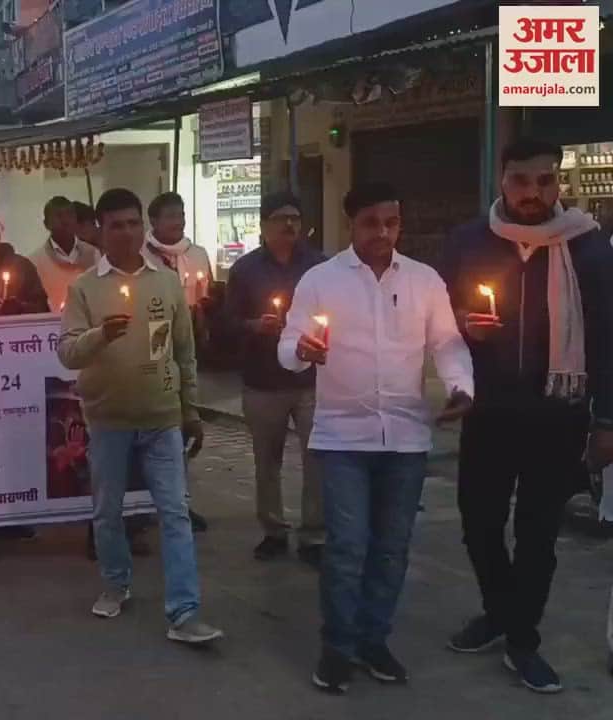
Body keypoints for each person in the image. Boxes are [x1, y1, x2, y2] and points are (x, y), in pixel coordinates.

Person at [278, 182, 474, 695]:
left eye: (391, 222)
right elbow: (287, 345)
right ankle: (337, 647)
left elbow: (447, 341)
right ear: (352, 225)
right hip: (343, 436)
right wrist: (302, 349)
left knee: (391, 547)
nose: (383, 232)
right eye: (372, 223)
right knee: (347, 546)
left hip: (406, 437)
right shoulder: (321, 280)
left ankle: (373, 640)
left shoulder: (425, 281)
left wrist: (460, 385)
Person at [441, 138, 613, 694]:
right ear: (501, 179)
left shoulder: (589, 248)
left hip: (557, 416)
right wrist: (464, 325)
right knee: (479, 523)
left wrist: (607, 420)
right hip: (488, 411)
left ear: (557, 182)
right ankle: (501, 613)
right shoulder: (469, 242)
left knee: (538, 534)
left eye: (544, 181)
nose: (533, 193)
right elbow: (436, 321)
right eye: (521, 181)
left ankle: (522, 639)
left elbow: (609, 340)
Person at [57, 188, 221, 646]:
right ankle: (115, 582)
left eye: (134, 224)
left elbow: (183, 351)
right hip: (108, 419)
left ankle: (185, 611)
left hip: (162, 417)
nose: (127, 233)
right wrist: (98, 337)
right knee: (107, 512)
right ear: (102, 231)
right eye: (117, 226)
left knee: (175, 514)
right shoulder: (85, 288)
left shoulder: (166, 282)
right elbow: (68, 353)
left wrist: (191, 409)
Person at [224, 192, 327, 565]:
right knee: (267, 460)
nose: (289, 226)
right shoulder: (246, 270)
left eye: (296, 218)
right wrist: (256, 325)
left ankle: (314, 533)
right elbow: (228, 323)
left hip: (311, 380)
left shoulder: (319, 266)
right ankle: (273, 529)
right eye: (281, 218)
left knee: (317, 458)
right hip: (263, 380)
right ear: (265, 224)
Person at [144, 192, 214, 532]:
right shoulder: (143, 257)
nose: (178, 221)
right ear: (153, 221)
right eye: (170, 215)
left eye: (182, 214)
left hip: (186, 342)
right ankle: (147, 501)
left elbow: (207, 293)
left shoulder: (196, 254)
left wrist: (203, 311)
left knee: (184, 422)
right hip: (154, 344)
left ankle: (181, 499)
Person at [29, 195, 101, 311]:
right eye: (58, 216)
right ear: (46, 224)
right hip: (52, 325)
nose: (65, 221)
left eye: (69, 215)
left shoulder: (93, 253)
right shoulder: (35, 262)